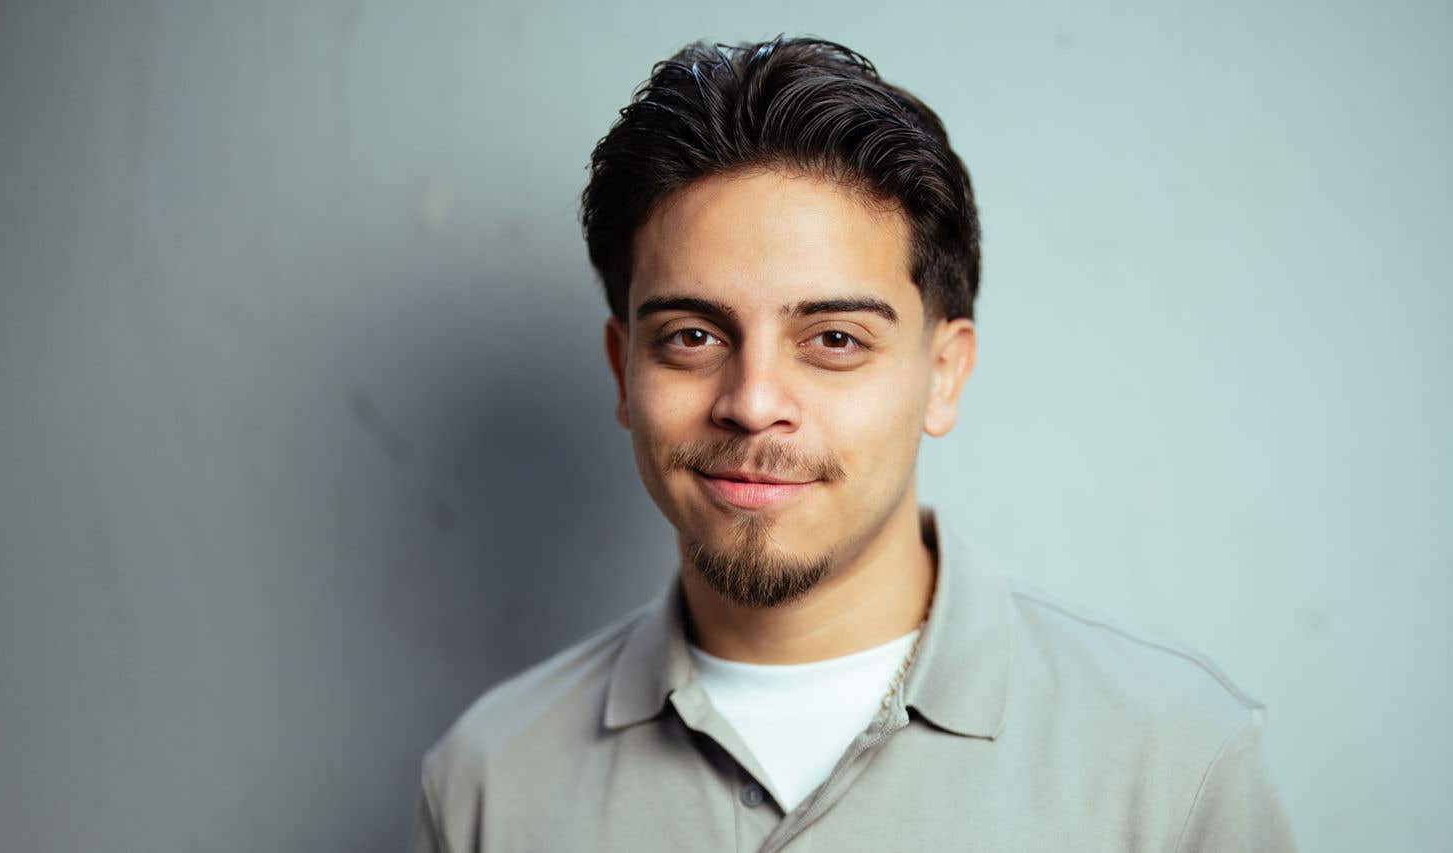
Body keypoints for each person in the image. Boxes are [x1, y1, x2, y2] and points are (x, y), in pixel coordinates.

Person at [408, 34, 1295, 852]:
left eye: (834, 339)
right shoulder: (491, 779)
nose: (753, 403)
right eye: (691, 336)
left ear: (943, 375)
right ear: (622, 373)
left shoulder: (1173, 763)